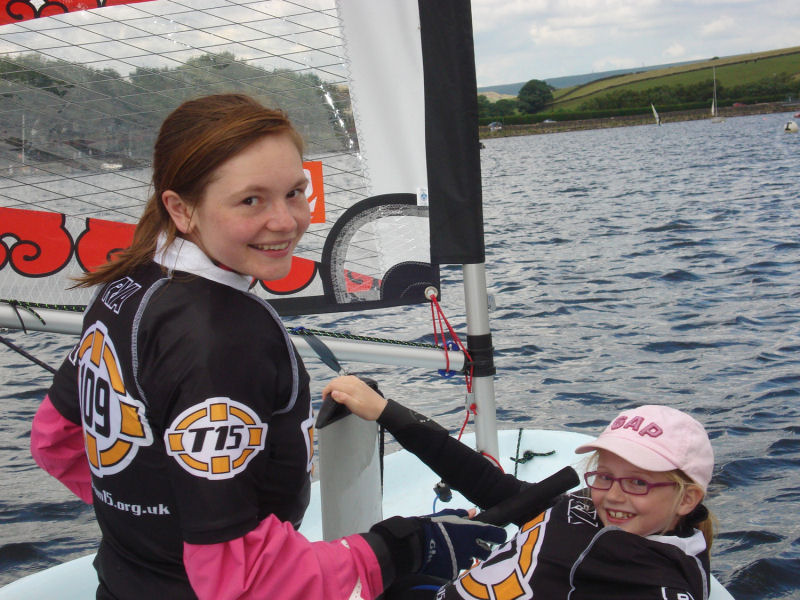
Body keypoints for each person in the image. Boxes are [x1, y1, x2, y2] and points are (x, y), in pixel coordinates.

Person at [29, 94, 505, 600]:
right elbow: (241, 579)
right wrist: (410, 546)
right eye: (250, 200)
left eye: (295, 192)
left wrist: (159, 524)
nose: (286, 222)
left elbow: (54, 442)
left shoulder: (123, 287)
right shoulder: (229, 338)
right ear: (181, 209)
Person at [323, 375, 716, 599]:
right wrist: (387, 412)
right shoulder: (584, 508)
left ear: (687, 499)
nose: (613, 495)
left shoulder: (659, 583)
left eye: (638, 483)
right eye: (605, 476)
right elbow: (487, 483)